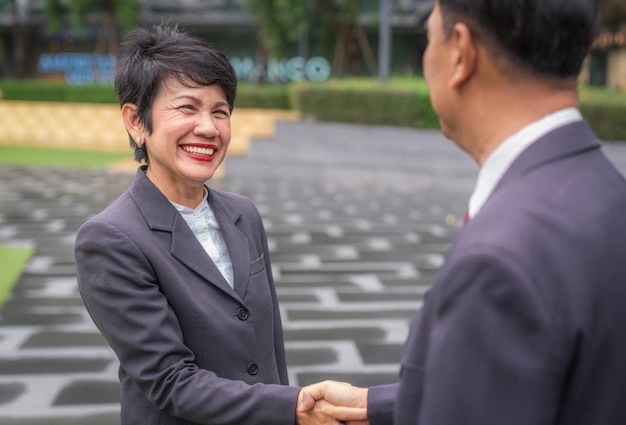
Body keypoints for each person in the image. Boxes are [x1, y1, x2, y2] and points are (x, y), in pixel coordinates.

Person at [299, 0, 626, 424]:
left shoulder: (499, 262)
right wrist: (378, 406)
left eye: (428, 39)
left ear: (460, 52)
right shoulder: (606, 190)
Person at [74, 24, 366, 425]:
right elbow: (170, 380)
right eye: (187, 108)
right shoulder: (110, 238)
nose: (208, 128)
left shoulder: (242, 213)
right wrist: (292, 409)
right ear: (136, 121)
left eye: (220, 111)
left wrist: (290, 407)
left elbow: (269, 350)